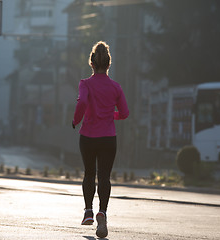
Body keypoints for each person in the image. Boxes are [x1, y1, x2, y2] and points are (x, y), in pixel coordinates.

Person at [72, 41, 129, 238]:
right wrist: (109, 115)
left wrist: (75, 120)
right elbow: (125, 113)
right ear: (108, 64)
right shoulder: (116, 87)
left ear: (92, 64)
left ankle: (88, 211)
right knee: (104, 176)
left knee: (89, 174)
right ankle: (102, 213)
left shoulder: (85, 84)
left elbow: (83, 102)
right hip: (108, 138)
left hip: (88, 136)